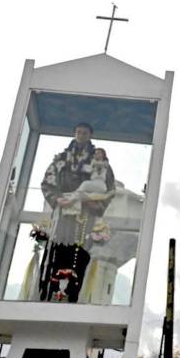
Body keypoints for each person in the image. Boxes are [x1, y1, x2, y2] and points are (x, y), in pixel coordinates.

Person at [40, 123, 116, 302]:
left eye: (85, 132)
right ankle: (49, 293)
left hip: (85, 215)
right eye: (78, 132)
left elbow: (109, 189)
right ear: (74, 133)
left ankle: (74, 296)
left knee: (80, 254)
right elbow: (47, 183)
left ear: (91, 135)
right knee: (56, 253)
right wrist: (57, 199)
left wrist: (95, 204)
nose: (81, 135)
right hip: (63, 213)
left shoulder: (99, 160)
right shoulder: (62, 158)